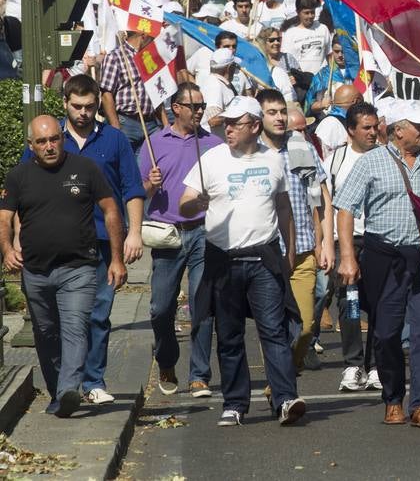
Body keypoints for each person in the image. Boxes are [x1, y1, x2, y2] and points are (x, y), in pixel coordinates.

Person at [19, 76, 145, 408]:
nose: (84, 113)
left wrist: (134, 232)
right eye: (77, 106)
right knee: (59, 323)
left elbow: (131, 188)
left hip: (102, 240)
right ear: (65, 104)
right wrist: (18, 238)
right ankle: (66, 384)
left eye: (90, 107)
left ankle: (93, 381)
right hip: (54, 244)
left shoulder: (115, 140)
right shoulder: (49, 139)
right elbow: (22, 192)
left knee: (97, 314)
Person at [180, 96, 305, 427]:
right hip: (223, 260)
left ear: (254, 125)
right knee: (230, 334)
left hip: (264, 257)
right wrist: (197, 204)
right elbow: (184, 205)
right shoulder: (211, 159)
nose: (228, 129)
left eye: (235, 123)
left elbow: (283, 207)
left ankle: (285, 398)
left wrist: (289, 252)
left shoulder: (275, 160)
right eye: (226, 124)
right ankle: (235, 403)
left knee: (274, 332)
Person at [335, 101, 420, 428]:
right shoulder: (371, 161)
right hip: (384, 256)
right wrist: (347, 256)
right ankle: (392, 397)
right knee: (387, 332)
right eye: (418, 126)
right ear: (398, 130)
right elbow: (345, 208)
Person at [0, 116, 127, 418]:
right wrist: (6, 249)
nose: (49, 146)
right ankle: (60, 392)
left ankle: (70, 388)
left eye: (54, 139)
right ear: (31, 146)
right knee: (46, 333)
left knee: (75, 328)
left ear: (61, 138)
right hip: (36, 271)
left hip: (78, 267)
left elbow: (111, 210)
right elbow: (4, 218)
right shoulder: (18, 176)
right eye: (42, 142)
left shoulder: (85, 169)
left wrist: (117, 258)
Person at [142, 83, 221, 399]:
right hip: (167, 233)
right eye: (194, 106)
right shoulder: (154, 143)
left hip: (204, 231)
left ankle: (199, 375)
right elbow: (138, 191)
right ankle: (166, 359)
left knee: (202, 305)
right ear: (176, 108)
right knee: (161, 308)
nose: (200, 111)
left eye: (202, 105)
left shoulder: (213, 144)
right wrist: (151, 182)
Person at [257, 91, 331, 374]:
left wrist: (326, 244)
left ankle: (286, 374)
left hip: (302, 249)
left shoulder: (303, 147)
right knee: (274, 327)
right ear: (259, 117)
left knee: (304, 327)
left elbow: (321, 199)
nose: (279, 118)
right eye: (271, 112)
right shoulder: (252, 153)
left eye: (281, 112)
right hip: (267, 251)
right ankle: (280, 388)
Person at [324, 102, 382, 392]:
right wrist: (329, 245)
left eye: (376, 127)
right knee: (349, 303)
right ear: (351, 130)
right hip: (347, 241)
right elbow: (327, 204)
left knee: (379, 305)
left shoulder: (386, 157)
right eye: (366, 128)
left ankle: (375, 365)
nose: (373, 133)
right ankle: (353, 364)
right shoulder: (336, 160)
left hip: (379, 241)